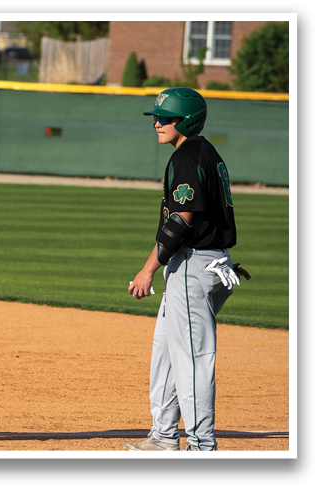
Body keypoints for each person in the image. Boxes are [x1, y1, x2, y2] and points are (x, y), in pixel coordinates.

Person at [125, 87, 249, 451]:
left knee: (192, 359)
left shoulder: (188, 155)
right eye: (156, 117)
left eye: (166, 118)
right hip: (201, 262)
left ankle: (201, 445)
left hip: (195, 265)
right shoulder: (203, 151)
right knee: (165, 349)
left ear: (187, 120)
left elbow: (181, 220)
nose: (158, 123)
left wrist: (148, 269)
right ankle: (163, 436)